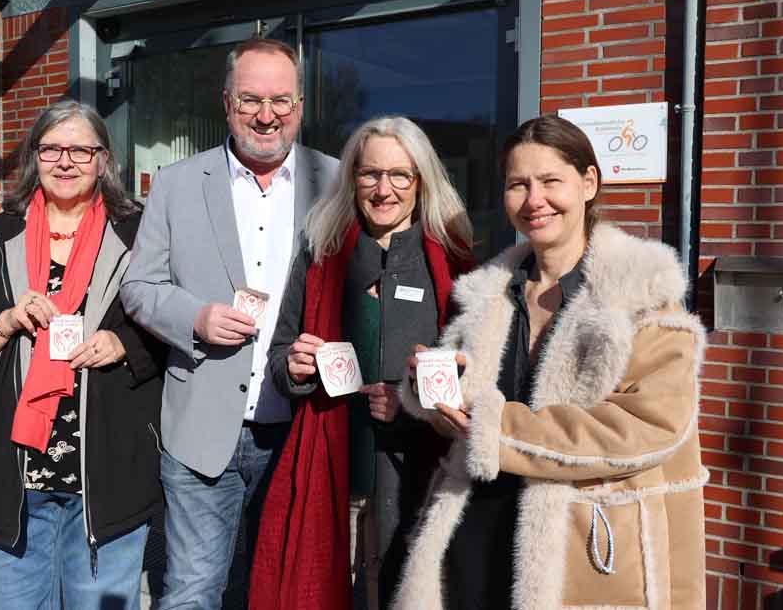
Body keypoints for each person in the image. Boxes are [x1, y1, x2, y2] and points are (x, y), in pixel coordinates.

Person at [392, 114, 708, 610]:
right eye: (519, 184)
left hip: (581, 548)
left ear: (589, 183)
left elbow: (647, 426)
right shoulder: (489, 291)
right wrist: (431, 387)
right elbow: (457, 418)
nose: (534, 200)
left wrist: (497, 429)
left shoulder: (642, 295)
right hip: (476, 537)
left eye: (550, 181)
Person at [120, 37, 338, 609]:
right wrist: (194, 317)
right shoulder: (176, 182)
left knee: (279, 589)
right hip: (201, 429)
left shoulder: (336, 182)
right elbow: (138, 286)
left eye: (281, 101)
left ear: (300, 105)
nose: (266, 115)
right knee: (194, 590)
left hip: (299, 426)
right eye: (250, 100)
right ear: (226, 103)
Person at [0, 99, 165, 609]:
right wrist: (6, 320)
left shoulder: (141, 235)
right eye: (52, 148)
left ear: (104, 160)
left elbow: (174, 329)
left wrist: (124, 343)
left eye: (80, 150)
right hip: (10, 481)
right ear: (35, 158)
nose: (65, 161)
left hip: (107, 485)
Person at [249, 116, 475, 610]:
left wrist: (412, 401)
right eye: (370, 173)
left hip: (417, 467)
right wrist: (296, 366)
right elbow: (282, 354)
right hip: (332, 462)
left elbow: (472, 370)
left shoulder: (452, 257)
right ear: (352, 178)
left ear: (421, 181)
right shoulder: (321, 248)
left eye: (400, 175)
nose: (384, 189)